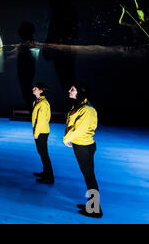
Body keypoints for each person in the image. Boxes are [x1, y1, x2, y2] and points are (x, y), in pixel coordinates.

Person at [63, 83, 103, 218]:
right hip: (81, 145)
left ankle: (95, 209)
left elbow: (79, 129)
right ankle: (92, 205)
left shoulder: (87, 109)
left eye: (72, 89)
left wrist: (66, 138)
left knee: (89, 177)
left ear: (80, 92)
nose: (69, 90)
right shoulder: (79, 106)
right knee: (88, 176)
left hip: (84, 146)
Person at [31, 82, 54, 184]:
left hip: (41, 132)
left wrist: (36, 133)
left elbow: (41, 120)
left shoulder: (43, 103)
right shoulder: (38, 101)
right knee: (42, 154)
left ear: (41, 91)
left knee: (44, 155)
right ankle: (45, 173)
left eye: (35, 88)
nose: (33, 88)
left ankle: (49, 178)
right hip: (40, 131)